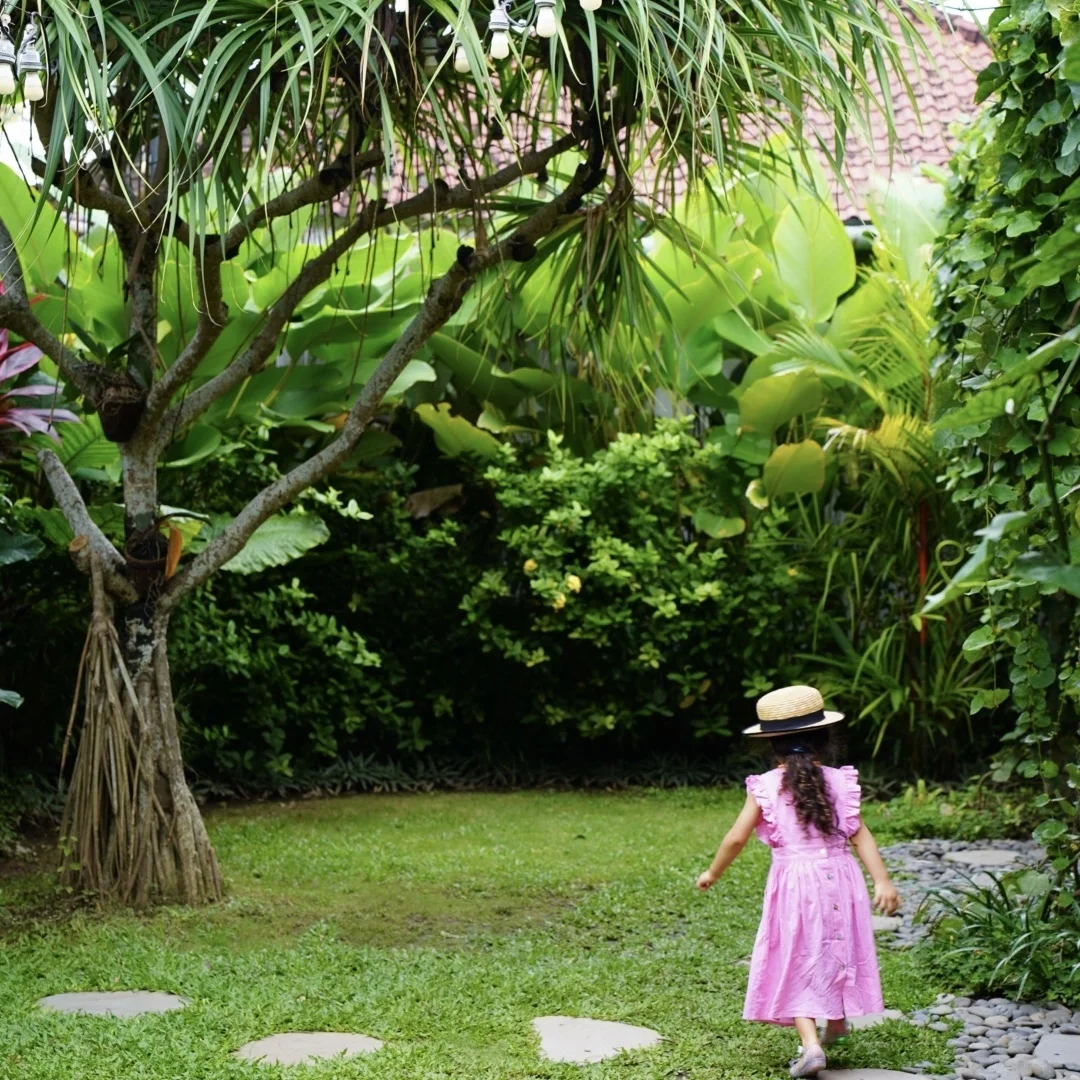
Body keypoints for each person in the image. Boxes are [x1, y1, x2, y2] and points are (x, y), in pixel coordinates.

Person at [696, 685, 900, 1079]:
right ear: (823, 738)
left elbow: (736, 837)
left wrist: (712, 873)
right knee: (836, 945)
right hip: (842, 879)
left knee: (796, 954)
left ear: (770, 744)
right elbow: (861, 835)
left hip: (794, 882)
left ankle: (810, 1045)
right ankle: (836, 1022)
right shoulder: (839, 781)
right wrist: (883, 882)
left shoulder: (766, 786)